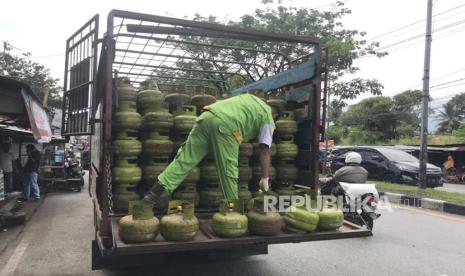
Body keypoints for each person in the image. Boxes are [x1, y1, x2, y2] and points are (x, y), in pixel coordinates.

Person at [143, 93, 278, 205]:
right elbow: (265, 150)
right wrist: (265, 177)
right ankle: (232, 211)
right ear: (275, 115)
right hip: (226, 125)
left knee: (184, 160)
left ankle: (150, 197)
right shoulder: (267, 116)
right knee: (228, 170)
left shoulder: (249, 98)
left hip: (206, 117)